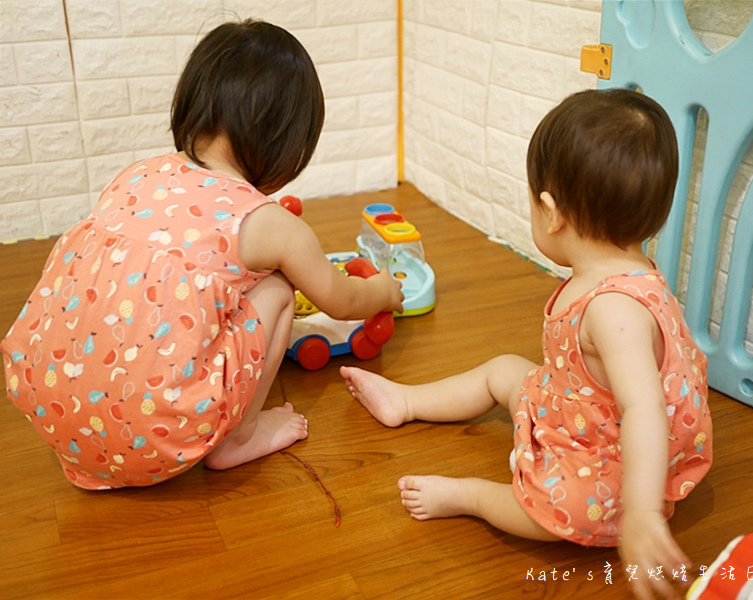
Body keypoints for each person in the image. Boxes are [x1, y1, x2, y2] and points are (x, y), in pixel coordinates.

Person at [1, 19, 404, 490]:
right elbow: (340, 299)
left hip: (55, 416)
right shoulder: (267, 222)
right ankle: (240, 438)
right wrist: (382, 290)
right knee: (276, 288)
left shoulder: (136, 175)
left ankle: (99, 439)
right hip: (156, 439)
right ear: (288, 140)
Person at [341, 89, 712, 600]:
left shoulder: (615, 311)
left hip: (612, 464)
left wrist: (643, 513)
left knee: (558, 507)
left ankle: (472, 497)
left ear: (550, 211)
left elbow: (645, 408)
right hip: (580, 413)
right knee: (503, 369)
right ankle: (405, 400)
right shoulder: (624, 270)